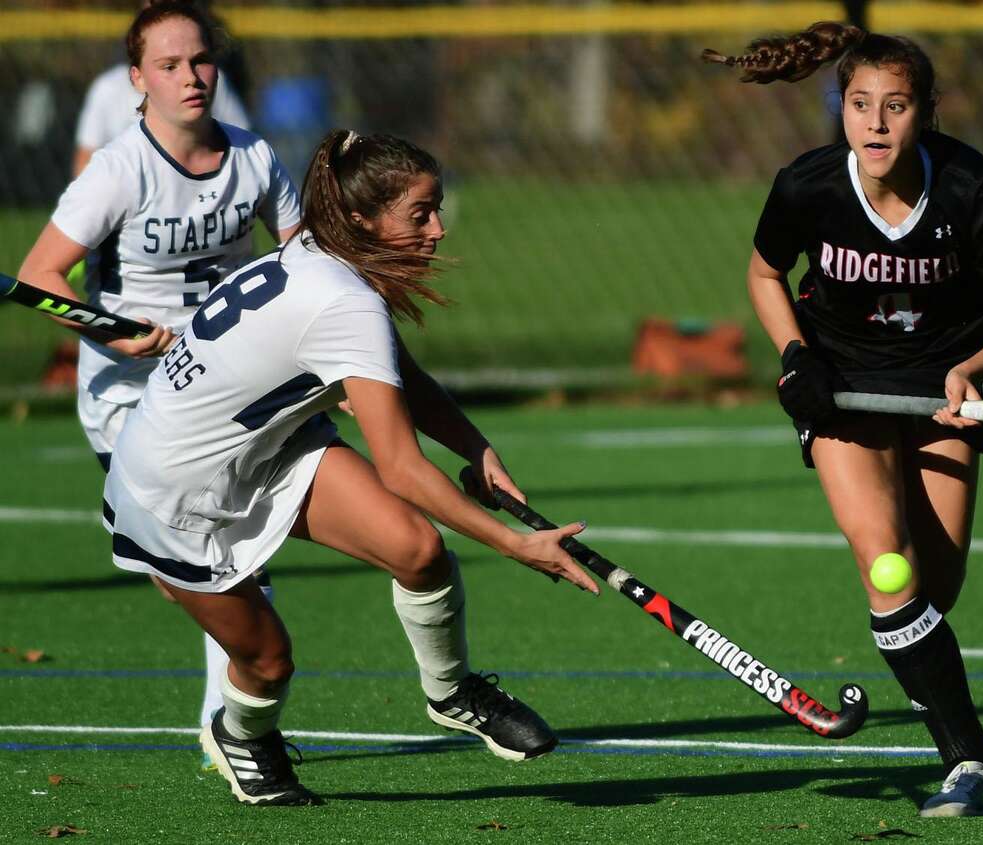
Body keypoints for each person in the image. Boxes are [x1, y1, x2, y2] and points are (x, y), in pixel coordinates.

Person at [100, 128, 600, 806]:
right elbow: (400, 468)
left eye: (437, 207)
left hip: (266, 449)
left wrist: (476, 447)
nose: (439, 229)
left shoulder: (321, 256)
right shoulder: (345, 298)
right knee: (268, 662)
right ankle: (242, 735)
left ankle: (451, 690)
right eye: (420, 213)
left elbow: (396, 370)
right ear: (362, 218)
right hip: (173, 496)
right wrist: (516, 544)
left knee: (417, 549)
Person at [703, 22, 983, 817]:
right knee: (885, 567)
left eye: (896, 106)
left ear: (927, 111)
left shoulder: (970, 186)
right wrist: (796, 356)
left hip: (945, 388)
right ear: (842, 110)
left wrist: (976, 369)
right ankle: (971, 761)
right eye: (861, 105)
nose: (878, 124)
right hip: (844, 389)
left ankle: (940, 699)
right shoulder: (809, 186)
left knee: (935, 583)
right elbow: (764, 275)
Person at [18, 0, 300, 769]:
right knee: (186, 574)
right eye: (169, 66)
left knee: (232, 554)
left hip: (221, 386)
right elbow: (40, 275)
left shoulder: (254, 157)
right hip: (126, 398)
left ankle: (230, 726)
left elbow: (303, 261)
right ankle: (234, 718)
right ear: (137, 79)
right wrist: (112, 329)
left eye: (201, 61)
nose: (191, 78)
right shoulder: (119, 168)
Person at [73, 0, 251, 179]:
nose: (190, 78)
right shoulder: (109, 87)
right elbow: (86, 162)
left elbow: (244, 148)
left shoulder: (208, 81)